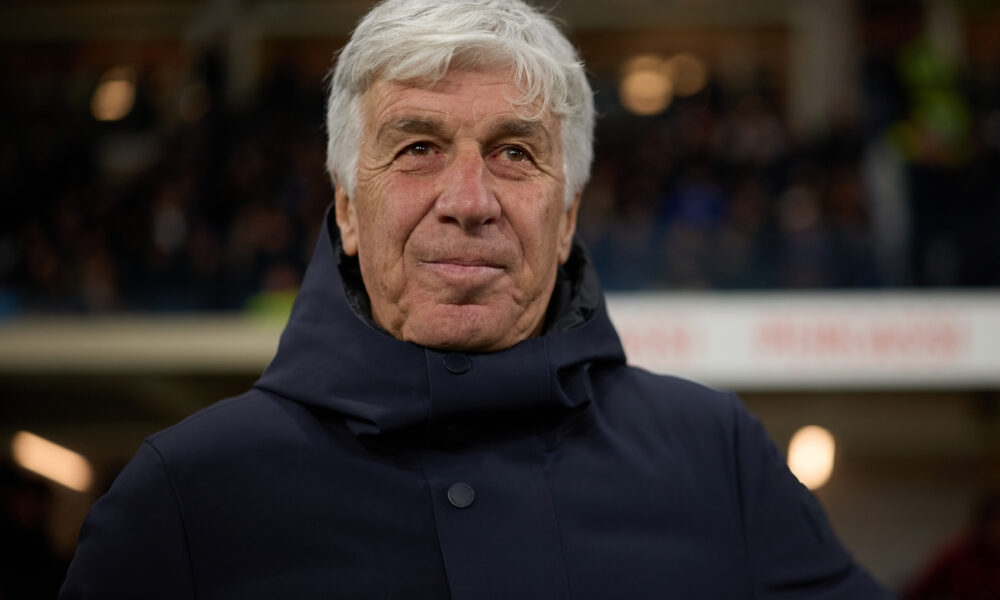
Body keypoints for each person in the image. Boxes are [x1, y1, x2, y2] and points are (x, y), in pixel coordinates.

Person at [61, 0, 891, 597]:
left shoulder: (720, 459)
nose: (469, 199)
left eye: (515, 153)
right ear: (347, 209)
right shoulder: (184, 493)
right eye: (418, 146)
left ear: (566, 219)